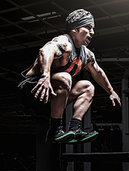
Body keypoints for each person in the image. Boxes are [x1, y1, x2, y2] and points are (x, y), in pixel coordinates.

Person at [18, 9, 121, 143]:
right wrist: (45, 76)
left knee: (88, 87)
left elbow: (98, 72)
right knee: (65, 78)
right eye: (88, 28)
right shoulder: (64, 42)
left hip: (50, 99)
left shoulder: (87, 54)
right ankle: (55, 130)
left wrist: (111, 91)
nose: (92, 33)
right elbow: (45, 50)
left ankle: (75, 128)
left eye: (93, 29)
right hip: (32, 90)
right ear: (75, 30)